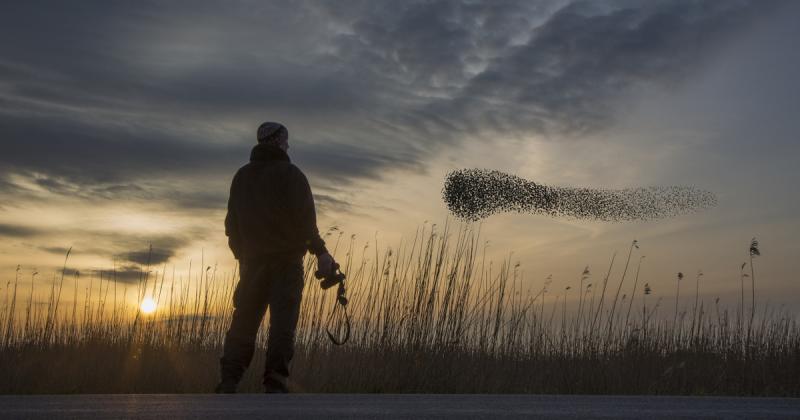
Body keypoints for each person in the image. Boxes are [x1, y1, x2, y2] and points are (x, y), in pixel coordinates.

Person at [217, 121, 335, 393]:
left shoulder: (241, 177)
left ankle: (228, 381)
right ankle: (275, 381)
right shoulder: (292, 175)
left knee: (243, 323)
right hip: (286, 264)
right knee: (283, 325)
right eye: (286, 141)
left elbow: (231, 227)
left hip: (252, 265)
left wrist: (243, 257)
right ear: (277, 142)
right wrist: (322, 253)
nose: (288, 145)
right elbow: (306, 225)